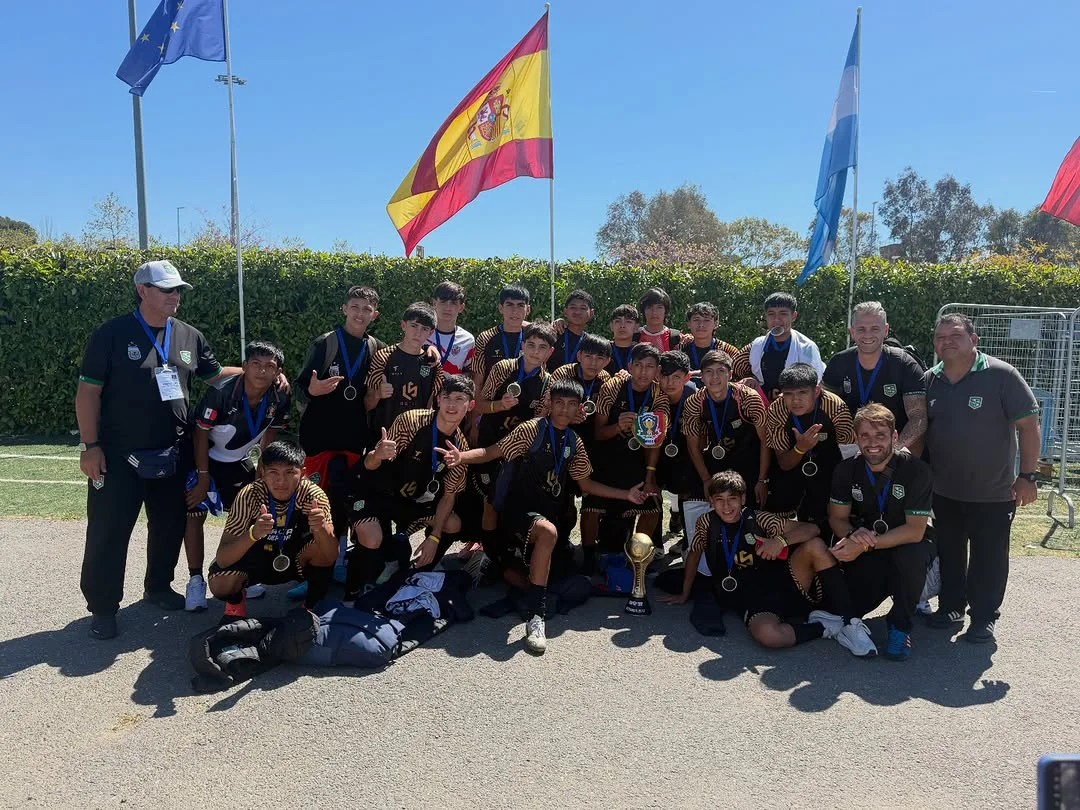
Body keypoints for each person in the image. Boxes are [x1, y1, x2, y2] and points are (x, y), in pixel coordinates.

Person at [76, 260, 247, 639]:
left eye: (178, 290)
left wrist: (257, 371)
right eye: (167, 289)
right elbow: (88, 391)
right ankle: (103, 607)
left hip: (174, 451)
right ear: (143, 291)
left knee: (169, 524)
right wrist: (91, 446)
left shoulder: (189, 335)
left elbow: (214, 376)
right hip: (119, 455)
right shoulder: (112, 334)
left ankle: (156, 587)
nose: (175, 296)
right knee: (109, 530)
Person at [444, 379, 647, 654]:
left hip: (545, 515)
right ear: (550, 404)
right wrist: (462, 456)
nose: (564, 409)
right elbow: (492, 452)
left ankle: (510, 577)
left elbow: (586, 485)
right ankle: (537, 616)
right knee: (547, 533)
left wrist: (627, 495)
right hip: (517, 511)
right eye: (559, 403)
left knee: (552, 574)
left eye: (571, 405)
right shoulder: (532, 429)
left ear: (579, 411)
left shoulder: (575, 442)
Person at [658, 471, 875, 656]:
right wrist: (685, 593)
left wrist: (778, 542)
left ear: (743, 499)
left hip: (784, 584)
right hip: (751, 598)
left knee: (815, 546)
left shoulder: (760, 519)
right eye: (719, 499)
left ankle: (851, 622)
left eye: (732, 499)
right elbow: (695, 553)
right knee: (769, 636)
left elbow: (812, 530)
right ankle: (825, 626)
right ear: (711, 502)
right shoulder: (706, 522)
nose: (726, 506)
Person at [924, 313, 1041, 643]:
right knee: (950, 553)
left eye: (955, 335)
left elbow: (1029, 427)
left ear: (973, 340)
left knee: (988, 558)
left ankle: (984, 617)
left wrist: (1028, 476)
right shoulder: (930, 379)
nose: (946, 341)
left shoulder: (1002, 375)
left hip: (993, 492)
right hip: (944, 490)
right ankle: (951, 607)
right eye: (940, 336)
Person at [345, 374, 475, 600]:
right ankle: (353, 589)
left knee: (452, 524)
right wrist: (378, 453)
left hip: (410, 501)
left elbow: (449, 497)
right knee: (372, 540)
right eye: (447, 397)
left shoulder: (460, 447)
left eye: (459, 398)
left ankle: (422, 566)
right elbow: (368, 465)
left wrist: (434, 538)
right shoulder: (412, 421)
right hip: (372, 491)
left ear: (470, 405)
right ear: (437, 400)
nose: (452, 405)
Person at [183, 340, 290, 611]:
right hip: (201, 458)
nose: (262, 371)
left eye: (270, 367)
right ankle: (195, 581)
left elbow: (270, 435)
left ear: (278, 372)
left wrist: (263, 473)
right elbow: (200, 433)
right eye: (255, 364)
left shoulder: (280, 396)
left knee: (252, 510)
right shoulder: (222, 392)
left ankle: (242, 573)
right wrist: (203, 475)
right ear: (244, 366)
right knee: (194, 512)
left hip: (237, 461)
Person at [828, 403, 934, 660]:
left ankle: (900, 625)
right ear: (856, 438)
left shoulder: (916, 470)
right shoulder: (846, 469)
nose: (872, 443)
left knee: (911, 555)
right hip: (868, 542)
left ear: (895, 437)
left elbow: (914, 531)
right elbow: (837, 517)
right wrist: (853, 535)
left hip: (907, 543)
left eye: (880, 435)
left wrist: (864, 544)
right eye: (864, 435)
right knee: (854, 606)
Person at [208, 441, 337, 616]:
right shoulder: (249, 495)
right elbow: (223, 559)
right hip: (257, 558)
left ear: (303, 473)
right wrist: (253, 534)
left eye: (290, 472)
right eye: (273, 472)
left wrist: (321, 528)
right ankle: (236, 602)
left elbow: (330, 557)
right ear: (262, 473)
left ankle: (311, 605)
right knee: (220, 582)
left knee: (321, 547)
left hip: (296, 558)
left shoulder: (313, 496)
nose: (281, 481)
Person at [581, 343, 669, 569]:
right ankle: (588, 556)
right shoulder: (613, 386)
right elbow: (598, 433)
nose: (643, 371)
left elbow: (656, 441)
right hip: (607, 457)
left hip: (638, 460)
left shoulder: (660, 395)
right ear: (629, 366)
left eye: (650, 366)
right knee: (591, 508)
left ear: (657, 370)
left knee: (652, 506)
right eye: (638, 365)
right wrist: (617, 427)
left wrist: (650, 476)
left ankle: (637, 558)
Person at [471, 322, 556, 525]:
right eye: (531, 345)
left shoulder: (548, 382)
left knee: (508, 499)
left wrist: (544, 414)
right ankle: (486, 548)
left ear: (550, 352)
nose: (535, 351)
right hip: (490, 441)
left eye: (542, 347)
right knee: (488, 500)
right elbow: (478, 406)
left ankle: (503, 547)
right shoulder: (503, 368)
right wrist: (500, 405)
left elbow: (537, 423)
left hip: (517, 450)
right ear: (522, 345)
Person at [822, 301, 927, 454]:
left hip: (895, 450)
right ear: (852, 331)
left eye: (875, 329)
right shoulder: (839, 362)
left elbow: (918, 417)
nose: (868, 335)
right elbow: (824, 407)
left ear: (885, 330)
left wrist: (892, 450)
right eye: (861, 329)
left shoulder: (904, 364)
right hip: (851, 449)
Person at [682, 350, 770, 529]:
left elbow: (765, 441)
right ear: (702, 376)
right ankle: (694, 543)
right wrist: (706, 479)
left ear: (730, 374)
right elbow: (692, 447)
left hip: (748, 462)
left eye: (720, 371)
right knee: (699, 498)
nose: (714, 377)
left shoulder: (748, 398)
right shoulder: (694, 402)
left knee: (751, 516)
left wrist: (762, 480)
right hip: (717, 462)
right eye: (708, 371)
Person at [764, 363, 853, 530]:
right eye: (789, 394)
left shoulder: (836, 407)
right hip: (792, 468)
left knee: (825, 523)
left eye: (802, 393)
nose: (795, 400)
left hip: (830, 469)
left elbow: (850, 455)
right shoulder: (776, 409)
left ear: (817, 390)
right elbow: (783, 463)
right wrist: (800, 448)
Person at [366, 302, 444, 433]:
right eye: (414, 326)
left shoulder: (433, 362)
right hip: (384, 435)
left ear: (430, 333)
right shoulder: (383, 357)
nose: (418, 333)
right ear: (403, 325)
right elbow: (367, 404)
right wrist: (378, 394)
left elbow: (432, 405)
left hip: (416, 436)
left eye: (424, 329)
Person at [733, 292, 825, 401]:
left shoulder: (807, 348)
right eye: (771, 314)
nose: (776, 320)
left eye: (783, 314)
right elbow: (734, 370)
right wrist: (748, 380)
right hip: (762, 408)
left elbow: (814, 384)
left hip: (795, 408)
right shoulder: (755, 346)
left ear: (794, 316)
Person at [655, 350, 696, 541]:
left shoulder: (696, 397)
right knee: (653, 493)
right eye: (665, 376)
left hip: (687, 452)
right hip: (656, 452)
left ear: (687, 377)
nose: (670, 383)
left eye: (677, 377)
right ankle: (654, 545)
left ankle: (688, 541)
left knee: (687, 494)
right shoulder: (651, 393)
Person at [472, 284, 532, 392]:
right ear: (500, 308)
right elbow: (477, 381)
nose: (515, 311)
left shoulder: (534, 338)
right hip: (492, 405)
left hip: (527, 403)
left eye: (520, 305)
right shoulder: (486, 338)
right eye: (509, 305)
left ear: (528, 309)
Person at [677, 302, 741, 373]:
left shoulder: (729, 351)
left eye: (706, 320)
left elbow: (740, 378)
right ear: (688, 324)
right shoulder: (680, 349)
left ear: (716, 324)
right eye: (696, 320)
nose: (701, 324)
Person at [427, 281, 475, 376]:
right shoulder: (422, 333)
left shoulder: (468, 340)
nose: (448, 308)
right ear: (434, 303)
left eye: (453, 303)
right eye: (443, 302)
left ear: (461, 307)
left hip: (452, 390)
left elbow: (468, 374)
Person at [547, 289, 596, 370]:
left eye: (583, 308)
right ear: (565, 312)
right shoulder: (554, 333)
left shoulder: (591, 342)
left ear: (591, 313)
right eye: (573, 307)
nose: (577, 312)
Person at [635, 287, 682, 351]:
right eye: (649, 307)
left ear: (666, 310)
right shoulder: (634, 336)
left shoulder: (676, 337)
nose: (654, 312)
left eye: (659, 307)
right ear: (643, 311)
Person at [605, 304, 640, 376]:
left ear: (636, 327)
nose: (622, 326)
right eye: (618, 321)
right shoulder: (603, 350)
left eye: (628, 322)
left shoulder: (641, 352)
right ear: (611, 326)